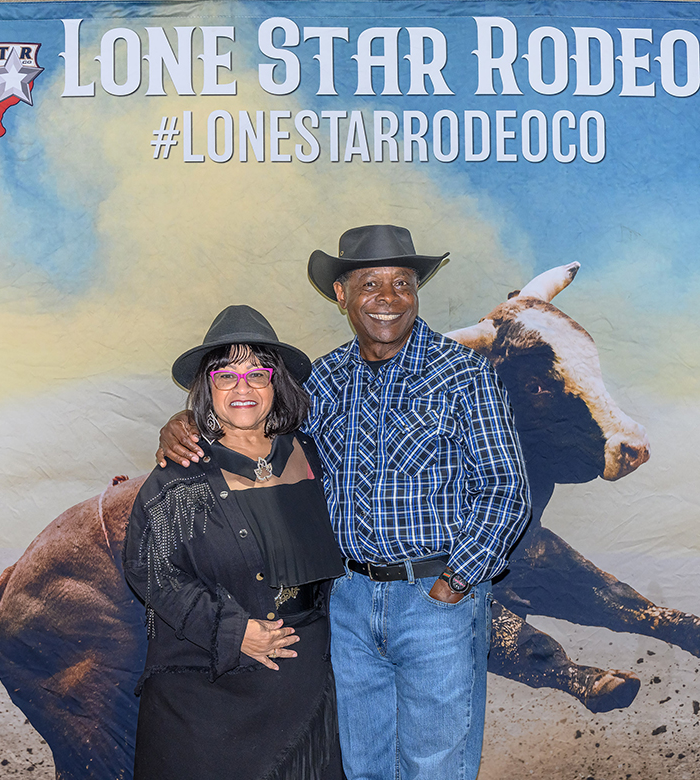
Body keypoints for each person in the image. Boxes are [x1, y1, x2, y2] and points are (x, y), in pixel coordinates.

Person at [158, 226, 531, 780]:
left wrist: (455, 582)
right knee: (363, 765)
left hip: (434, 599)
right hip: (350, 599)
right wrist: (185, 421)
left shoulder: (462, 374)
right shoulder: (325, 380)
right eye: (370, 283)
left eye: (402, 283)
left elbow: (506, 488)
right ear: (341, 295)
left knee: (435, 765)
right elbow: (250, 423)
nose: (388, 297)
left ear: (417, 292)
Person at [123, 305, 346, 780]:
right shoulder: (179, 477)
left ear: (276, 383)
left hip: (303, 692)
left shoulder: (315, 456)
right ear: (207, 387)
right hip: (203, 706)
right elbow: (152, 573)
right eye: (226, 375)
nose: (242, 387)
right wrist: (233, 631)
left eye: (257, 373)